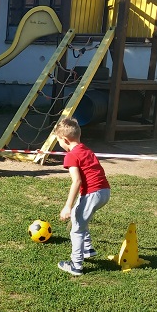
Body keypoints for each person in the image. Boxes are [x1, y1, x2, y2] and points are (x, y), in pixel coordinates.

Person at [53, 117, 111, 276]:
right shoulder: (86, 149)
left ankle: (76, 265)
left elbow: (77, 181)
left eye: (58, 140)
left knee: (76, 229)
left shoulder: (71, 155)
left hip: (92, 193)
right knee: (80, 217)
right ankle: (88, 249)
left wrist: (67, 206)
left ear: (64, 139)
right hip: (104, 191)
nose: (59, 143)